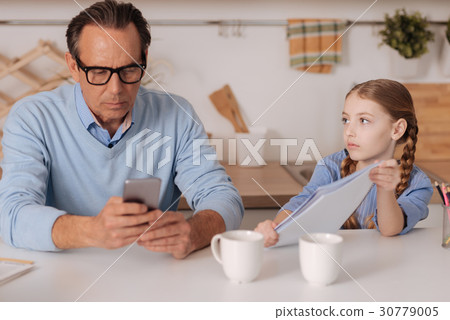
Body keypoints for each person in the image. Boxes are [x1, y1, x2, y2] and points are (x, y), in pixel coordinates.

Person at [0, 0, 243, 259]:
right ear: (73, 66)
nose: (115, 89)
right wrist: (91, 230)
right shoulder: (32, 118)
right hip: (60, 281)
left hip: (152, 276)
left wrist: (195, 232)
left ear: (144, 60)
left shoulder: (177, 115)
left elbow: (222, 196)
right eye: (98, 71)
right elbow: (11, 214)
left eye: (128, 69)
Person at [256, 79, 433, 247]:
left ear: (397, 129)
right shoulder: (331, 167)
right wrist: (274, 227)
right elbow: (301, 205)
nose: (349, 131)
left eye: (364, 120)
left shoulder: (417, 183)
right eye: (346, 120)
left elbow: (390, 230)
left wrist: (385, 190)